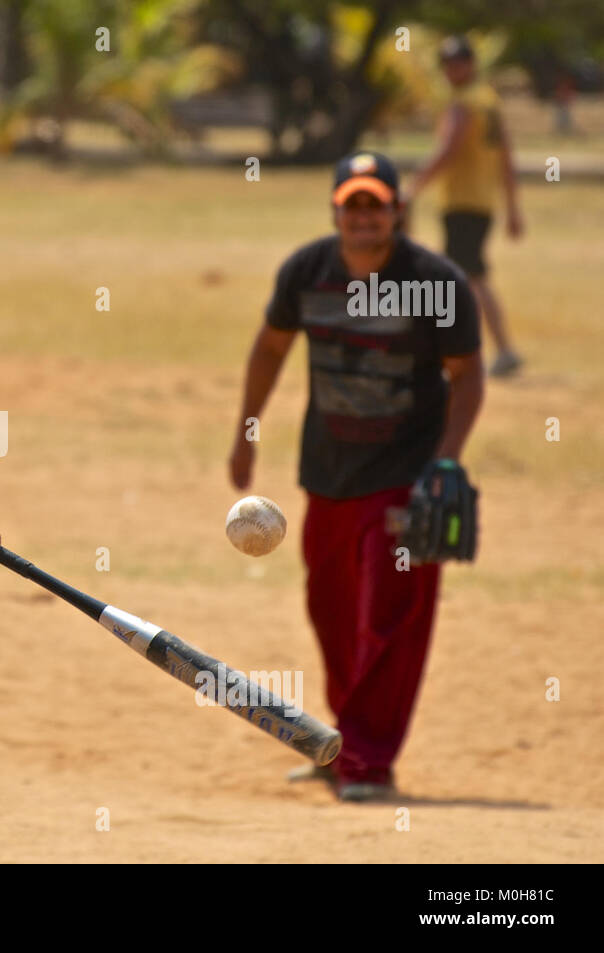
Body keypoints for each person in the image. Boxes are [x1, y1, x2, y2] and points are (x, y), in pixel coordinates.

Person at [228, 152, 484, 802]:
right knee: (331, 610)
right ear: (336, 211)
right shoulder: (308, 271)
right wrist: (245, 433)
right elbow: (269, 349)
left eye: (377, 205)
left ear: (397, 211)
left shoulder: (437, 283)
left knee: (391, 616)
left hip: (406, 478)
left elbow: (468, 375)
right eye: (354, 205)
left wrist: (446, 461)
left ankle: (367, 761)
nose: (365, 217)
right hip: (328, 475)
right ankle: (341, 743)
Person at [402, 34, 525, 377]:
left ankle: (459, 353)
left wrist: (412, 188)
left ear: (471, 64)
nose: (452, 69)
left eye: (458, 62)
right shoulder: (489, 101)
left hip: (463, 202)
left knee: (458, 279)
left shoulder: (464, 103)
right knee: (469, 277)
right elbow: (506, 157)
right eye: (447, 63)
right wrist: (512, 208)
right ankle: (491, 350)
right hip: (481, 203)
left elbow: (449, 149)